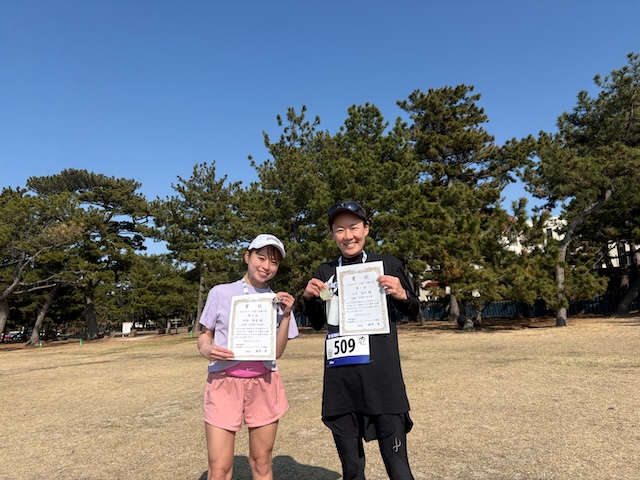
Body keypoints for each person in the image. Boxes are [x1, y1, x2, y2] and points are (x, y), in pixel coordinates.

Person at [303, 201, 419, 480]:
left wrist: (402, 294)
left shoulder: (388, 265)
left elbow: (414, 310)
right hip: (342, 383)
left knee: (399, 469)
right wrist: (308, 298)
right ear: (332, 234)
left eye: (354, 227)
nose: (348, 236)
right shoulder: (325, 272)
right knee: (352, 471)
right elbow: (318, 322)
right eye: (339, 229)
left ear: (366, 228)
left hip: (382, 381)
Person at [197, 234, 299, 480]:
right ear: (247, 256)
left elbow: (276, 352)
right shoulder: (220, 292)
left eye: (273, 262)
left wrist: (286, 315)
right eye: (261, 258)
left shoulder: (277, 301)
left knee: (262, 463)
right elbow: (204, 335)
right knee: (219, 468)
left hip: (264, 383)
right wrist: (207, 349)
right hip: (224, 382)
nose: (266, 266)